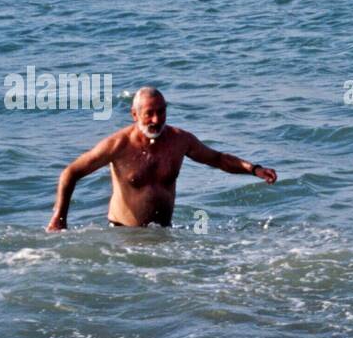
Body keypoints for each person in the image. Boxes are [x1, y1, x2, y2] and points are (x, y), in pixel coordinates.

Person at [46, 86, 276, 230]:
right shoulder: (118, 145)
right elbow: (71, 173)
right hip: (124, 236)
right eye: (149, 114)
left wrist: (253, 169)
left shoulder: (179, 140)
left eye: (161, 111)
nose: (156, 120)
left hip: (164, 236)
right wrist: (60, 218)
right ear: (135, 115)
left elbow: (217, 159)